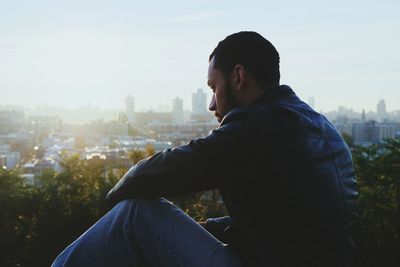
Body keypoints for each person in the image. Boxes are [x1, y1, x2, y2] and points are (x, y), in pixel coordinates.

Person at [52, 31, 358, 267]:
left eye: (213, 88)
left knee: (134, 214)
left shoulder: (257, 125)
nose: (212, 104)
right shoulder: (321, 128)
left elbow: (172, 168)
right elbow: (286, 226)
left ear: (238, 77)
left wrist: (112, 199)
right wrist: (201, 227)